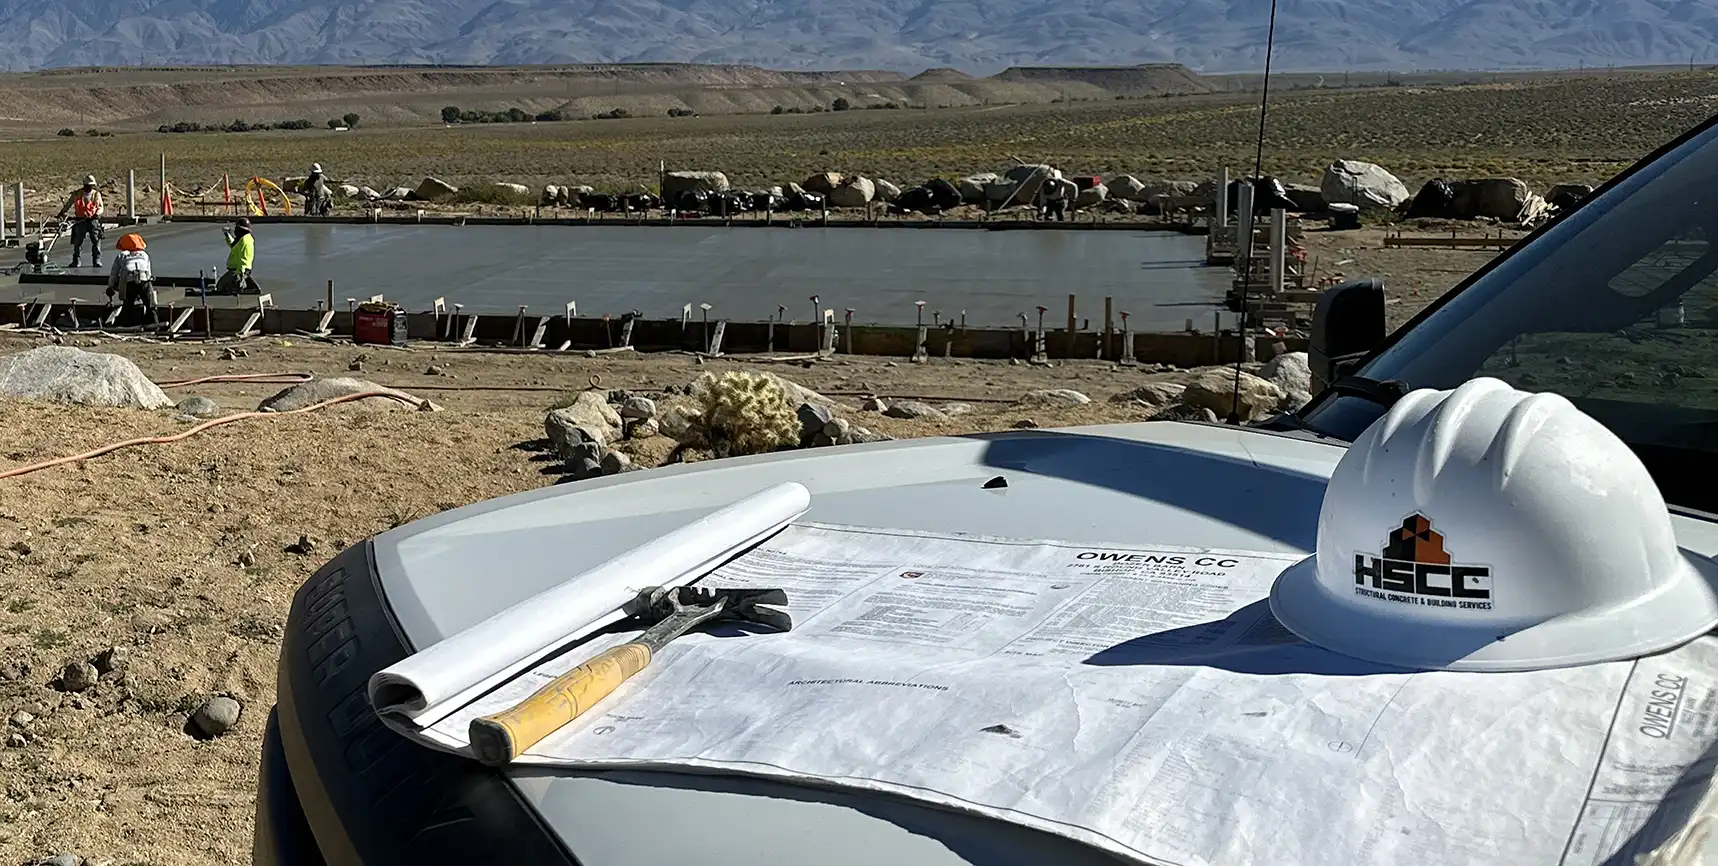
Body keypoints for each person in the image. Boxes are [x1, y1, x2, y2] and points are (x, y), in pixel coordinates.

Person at [107, 233, 158, 328]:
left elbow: (114, 272)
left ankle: (125, 325)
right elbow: (149, 272)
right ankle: (155, 324)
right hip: (144, 280)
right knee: (151, 305)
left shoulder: (121, 255)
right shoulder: (144, 255)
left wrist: (110, 286)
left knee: (128, 305)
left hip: (129, 282)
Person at [57, 175, 103, 268]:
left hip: (92, 221)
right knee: (77, 242)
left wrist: (96, 214)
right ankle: (76, 261)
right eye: (87, 185)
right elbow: (69, 204)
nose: (88, 187)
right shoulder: (77, 194)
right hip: (80, 221)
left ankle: (96, 260)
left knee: (96, 241)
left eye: (90, 185)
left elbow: (100, 207)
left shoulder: (96, 194)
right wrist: (62, 212)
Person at [217, 217, 257, 293]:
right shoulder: (241, 238)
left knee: (221, 287)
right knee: (221, 286)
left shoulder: (245, 241)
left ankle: (238, 287)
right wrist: (227, 234)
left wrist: (240, 274)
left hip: (238, 270)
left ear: (241, 229)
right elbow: (233, 245)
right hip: (236, 270)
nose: (234, 230)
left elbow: (244, 258)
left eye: (236, 228)